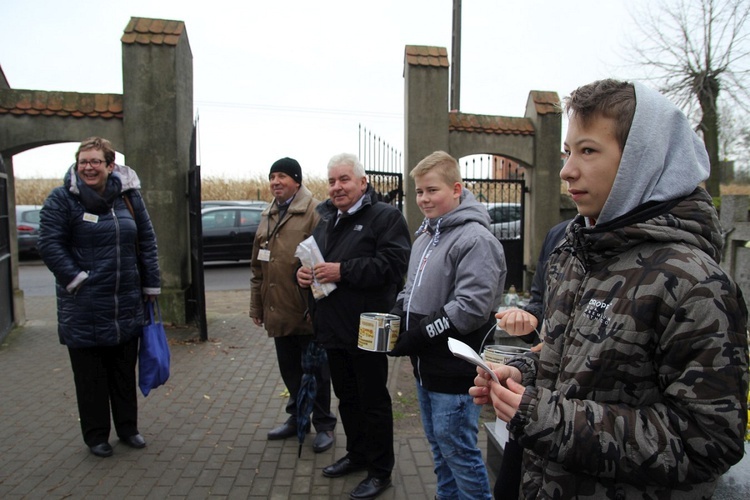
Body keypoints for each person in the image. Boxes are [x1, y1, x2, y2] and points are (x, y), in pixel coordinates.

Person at [470, 79, 749, 499]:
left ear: (642, 160)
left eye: (587, 150)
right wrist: (521, 375)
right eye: (567, 152)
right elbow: (565, 356)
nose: (566, 170)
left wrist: (546, 417)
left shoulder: (693, 281)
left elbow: (707, 441)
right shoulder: (574, 251)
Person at [387, 151, 505, 500]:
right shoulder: (425, 236)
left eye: (432, 190)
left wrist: (419, 335)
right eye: (419, 191)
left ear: (457, 189)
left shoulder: (476, 239)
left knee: (460, 455)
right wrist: (397, 313)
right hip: (426, 369)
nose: (423, 199)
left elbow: (471, 308)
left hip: (455, 373)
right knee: (441, 453)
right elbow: (411, 289)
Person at [296, 153, 411, 500]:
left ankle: (380, 471)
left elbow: (392, 266)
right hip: (332, 327)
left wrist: (342, 270)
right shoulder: (325, 219)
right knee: (347, 398)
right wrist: (301, 274)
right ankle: (357, 455)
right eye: (331, 181)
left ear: (363, 183)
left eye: (344, 179)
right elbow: (314, 261)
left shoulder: (386, 217)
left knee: (373, 400)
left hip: (368, 329)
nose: (337, 187)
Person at [38, 137, 161, 458]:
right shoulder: (62, 199)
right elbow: (49, 244)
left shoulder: (129, 198)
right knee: (91, 378)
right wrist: (76, 280)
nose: (88, 168)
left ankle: (128, 428)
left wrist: (150, 286)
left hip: (125, 303)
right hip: (83, 306)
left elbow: (146, 241)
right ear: (76, 166)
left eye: (95, 162)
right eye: (83, 162)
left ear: (110, 166)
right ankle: (96, 436)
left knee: (122, 372)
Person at [250, 157, 336, 453]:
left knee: (316, 372)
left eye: (282, 176)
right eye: (272, 176)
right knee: (290, 370)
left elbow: (324, 257)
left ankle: (324, 424)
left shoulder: (314, 211)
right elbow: (257, 268)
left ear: (296, 181)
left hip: (307, 309)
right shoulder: (268, 214)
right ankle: (296, 416)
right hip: (277, 308)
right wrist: (256, 307)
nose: (275, 182)